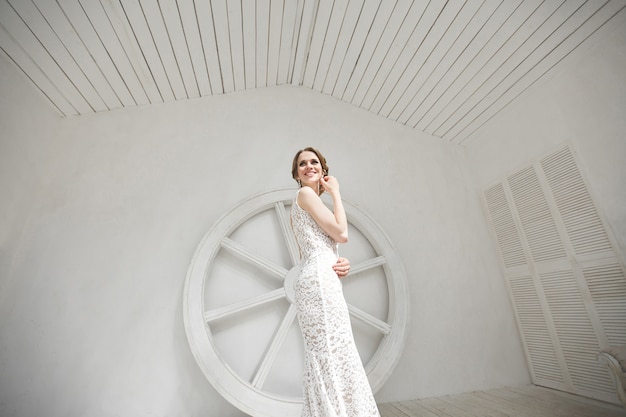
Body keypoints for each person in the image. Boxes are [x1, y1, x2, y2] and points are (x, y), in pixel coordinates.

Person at [290, 147, 380, 417]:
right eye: (302, 164)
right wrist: (336, 192)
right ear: (296, 174)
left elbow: (316, 251)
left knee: (332, 352)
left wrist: (340, 263)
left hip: (318, 278)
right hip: (317, 283)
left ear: (323, 169)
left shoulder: (309, 204)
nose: (309, 166)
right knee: (332, 352)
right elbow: (342, 233)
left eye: (314, 162)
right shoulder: (305, 194)